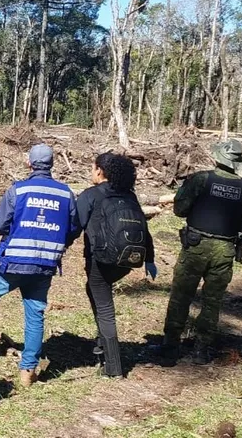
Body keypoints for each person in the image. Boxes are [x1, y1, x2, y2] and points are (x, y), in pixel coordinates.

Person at [0, 144, 81, 388]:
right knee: (35, 313)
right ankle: (28, 371)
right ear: (52, 164)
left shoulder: (19, 190)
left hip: (13, 263)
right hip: (45, 264)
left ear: (29, 163)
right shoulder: (66, 194)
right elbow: (74, 229)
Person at [154, 139, 242, 366]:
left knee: (181, 296)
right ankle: (202, 350)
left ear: (218, 158)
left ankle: (170, 348)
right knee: (212, 301)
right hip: (224, 250)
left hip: (195, 246)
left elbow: (179, 209)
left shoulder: (200, 180)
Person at [76, 153, 156, 378]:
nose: (92, 172)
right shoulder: (130, 196)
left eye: (93, 168)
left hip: (101, 260)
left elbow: (74, 224)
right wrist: (149, 259)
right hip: (127, 260)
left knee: (104, 307)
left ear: (100, 171)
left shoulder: (91, 195)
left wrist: (57, 249)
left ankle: (113, 367)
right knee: (94, 290)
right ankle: (102, 342)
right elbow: (144, 229)